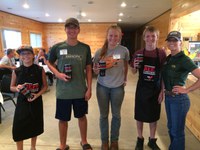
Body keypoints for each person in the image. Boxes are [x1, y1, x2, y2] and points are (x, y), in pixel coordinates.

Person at [47, 18, 93, 150]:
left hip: (80, 90)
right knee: (63, 119)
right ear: (65, 29)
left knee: (82, 117)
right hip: (63, 91)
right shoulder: (57, 47)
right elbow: (49, 63)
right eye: (69, 27)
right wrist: (57, 73)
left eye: (74, 27)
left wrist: (89, 88)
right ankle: (62, 145)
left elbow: (89, 69)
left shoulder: (85, 48)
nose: (71, 30)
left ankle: (84, 141)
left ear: (78, 29)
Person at [93, 25, 130, 150]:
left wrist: (125, 78)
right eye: (111, 35)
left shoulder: (124, 50)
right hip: (102, 86)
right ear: (107, 36)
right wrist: (96, 70)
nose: (113, 38)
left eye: (116, 35)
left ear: (119, 36)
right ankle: (104, 141)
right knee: (103, 115)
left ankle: (114, 141)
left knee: (116, 115)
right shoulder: (99, 51)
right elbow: (95, 70)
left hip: (118, 88)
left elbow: (126, 66)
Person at [162, 31, 200, 150]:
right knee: (171, 128)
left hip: (179, 100)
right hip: (168, 98)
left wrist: (187, 90)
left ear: (180, 43)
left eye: (175, 40)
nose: (172, 43)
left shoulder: (184, 59)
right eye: (170, 40)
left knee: (177, 132)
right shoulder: (168, 58)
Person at [130, 26, 166, 150]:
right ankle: (140, 138)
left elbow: (163, 74)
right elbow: (134, 72)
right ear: (144, 38)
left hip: (155, 89)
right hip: (142, 88)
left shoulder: (161, 53)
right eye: (148, 36)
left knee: (154, 116)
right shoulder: (138, 53)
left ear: (157, 37)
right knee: (139, 114)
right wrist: (134, 66)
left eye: (153, 36)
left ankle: (152, 139)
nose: (150, 38)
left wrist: (162, 91)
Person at [10, 46, 48, 150]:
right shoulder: (17, 71)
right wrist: (17, 89)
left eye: (28, 53)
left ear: (33, 55)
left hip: (36, 101)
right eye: (23, 54)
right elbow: (11, 87)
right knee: (18, 127)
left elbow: (45, 86)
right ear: (20, 56)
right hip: (22, 102)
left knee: (34, 125)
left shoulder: (40, 70)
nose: (26, 56)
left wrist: (37, 94)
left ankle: (33, 147)